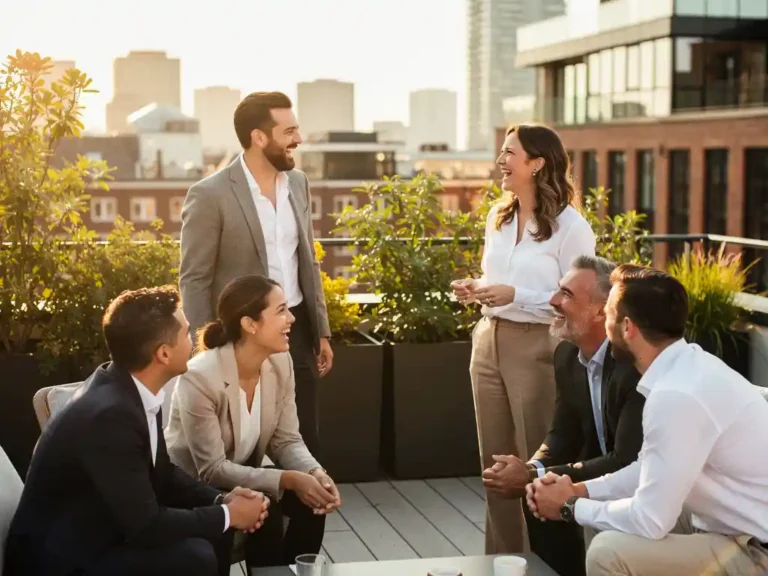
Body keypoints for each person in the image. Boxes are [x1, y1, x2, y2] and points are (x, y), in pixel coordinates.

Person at [3, 286, 269, 576]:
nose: (192, 340)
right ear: (163, 354)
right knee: (196, 555)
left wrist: (221, 500)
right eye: (185, 333)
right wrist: (229, 515)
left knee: (214, 532)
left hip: (100, 533)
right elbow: (147, 526)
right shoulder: (109, 416)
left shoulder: (129, 388)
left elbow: (163, 473)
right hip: (60, 561)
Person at [527, 265, 768, 576]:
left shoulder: (676, 395)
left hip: (755, 550)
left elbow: (651, 520)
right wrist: (582, 492)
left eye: (609, 313)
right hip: (730, 524)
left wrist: (569, 507)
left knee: (607, 552)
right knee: (600, 522)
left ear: (627, 327)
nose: (604, 321)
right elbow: (648, 468)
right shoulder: (687, 367)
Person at [451, 123, 596, 554]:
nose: (501, 160)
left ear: (536, 164)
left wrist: (518, 295)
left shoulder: (571, 226)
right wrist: (475, 287)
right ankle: (502, 559)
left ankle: (547, 559)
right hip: (488, 340)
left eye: (509, 153)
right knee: (495, 464)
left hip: (538, 346)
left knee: (537, 460)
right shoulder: (499, 216)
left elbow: (577, 298)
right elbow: (498, 279)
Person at [180, 91, 332, 459]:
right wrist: (206, 347)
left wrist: (322, 330)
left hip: (295, 330)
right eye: (289, 131)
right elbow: (194, 277)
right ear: (259, 137)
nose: (298, 139)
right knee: (242, 445)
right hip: (239, 339)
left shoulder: (298, 184)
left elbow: (307, 259)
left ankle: (307, 513)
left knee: (302, 441)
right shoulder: (210, 194)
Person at [482, 256, 644, 576]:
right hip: (598, 469)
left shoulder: (634, 366)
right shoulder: (567, 355)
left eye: (566, 295)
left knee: (542, 486)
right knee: (540, 494)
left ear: (602, 309)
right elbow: (562, 434)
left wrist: (532, 477)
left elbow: (626, 461)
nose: (554, 301)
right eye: (558, 291)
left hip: (637, 481)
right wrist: (532, 468)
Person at [166, 275, 341, 568]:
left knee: (312, 502)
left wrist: (314, 472)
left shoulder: (280, 363)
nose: (292, 318)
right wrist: (288, 479)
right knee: (267, 505)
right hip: (194, 491)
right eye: (281, 310)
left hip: (245, 479)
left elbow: (286, 439)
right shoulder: (200, 378)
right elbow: (211, 470)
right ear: (250, 324)